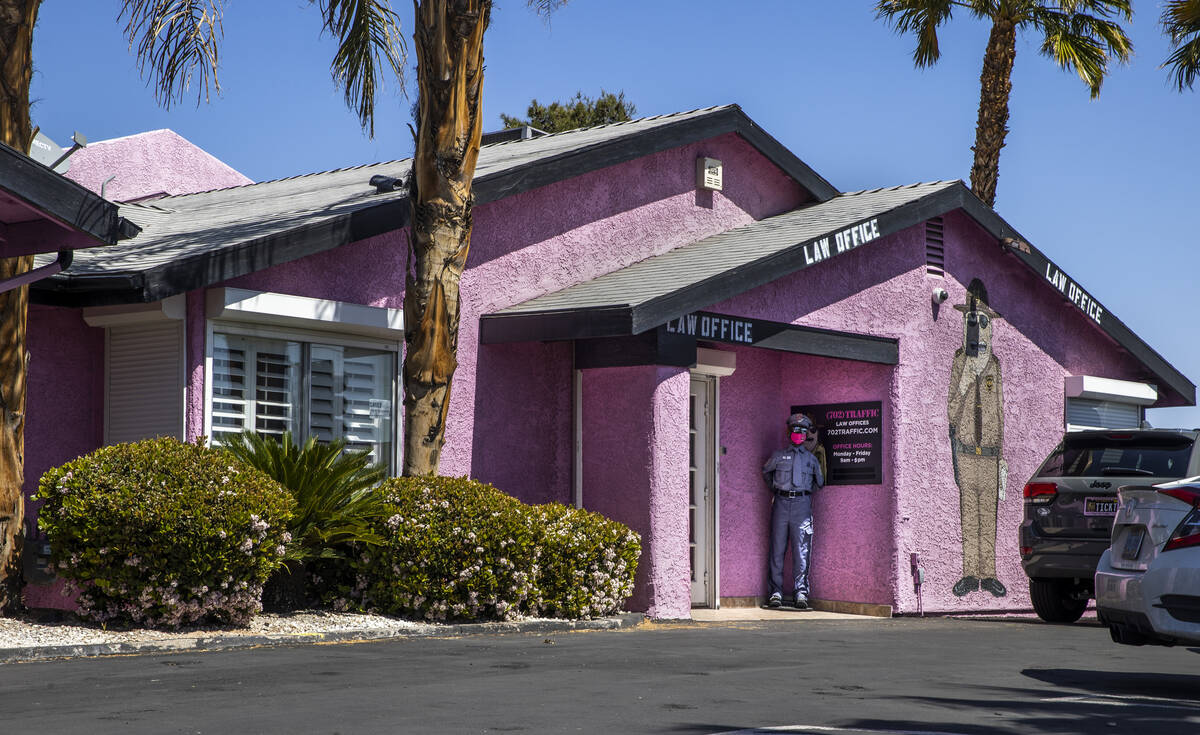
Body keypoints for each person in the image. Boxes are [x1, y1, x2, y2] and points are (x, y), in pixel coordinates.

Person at [947, 279, 1007, 598]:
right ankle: (971, 572)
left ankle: (990, 573)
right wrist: (966, 381)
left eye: (983, 321)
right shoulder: (960, 362)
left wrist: (1002, 458)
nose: (978, 327)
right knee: (970, 514)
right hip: (968, 452)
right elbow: (951, 411)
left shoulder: (994, 366)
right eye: (973, 321)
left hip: (991, 454)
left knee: (990, 516)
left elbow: (999, 411)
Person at [762, 413, 825, 609]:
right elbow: (766, 473)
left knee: (802, 550)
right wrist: (779, 490)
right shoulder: (778, 456)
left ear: (806, 434)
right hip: (781, 503)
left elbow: (818, 483)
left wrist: (803, 495)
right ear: (789, 432)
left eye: (802, 431)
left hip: (802, 506)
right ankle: (776, 592)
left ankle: (801, 593)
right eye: (795, 430)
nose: (798, 434)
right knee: (777, 549)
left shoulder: (812, 460)